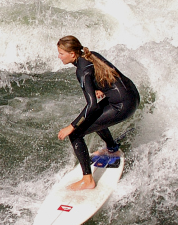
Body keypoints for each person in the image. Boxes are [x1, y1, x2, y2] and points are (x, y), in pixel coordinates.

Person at [55, 35, 140, 191]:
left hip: (122, 105)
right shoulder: (90, 55)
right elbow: (109, 75)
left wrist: (71, 126)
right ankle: (112, 147)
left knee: (76, 134)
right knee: (94, 117)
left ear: (72, 54)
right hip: (132, 96)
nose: (59, 56)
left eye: (61, 53)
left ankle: (88, 180)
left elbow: (92, 106)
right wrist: (99, 88)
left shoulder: (81, 71)